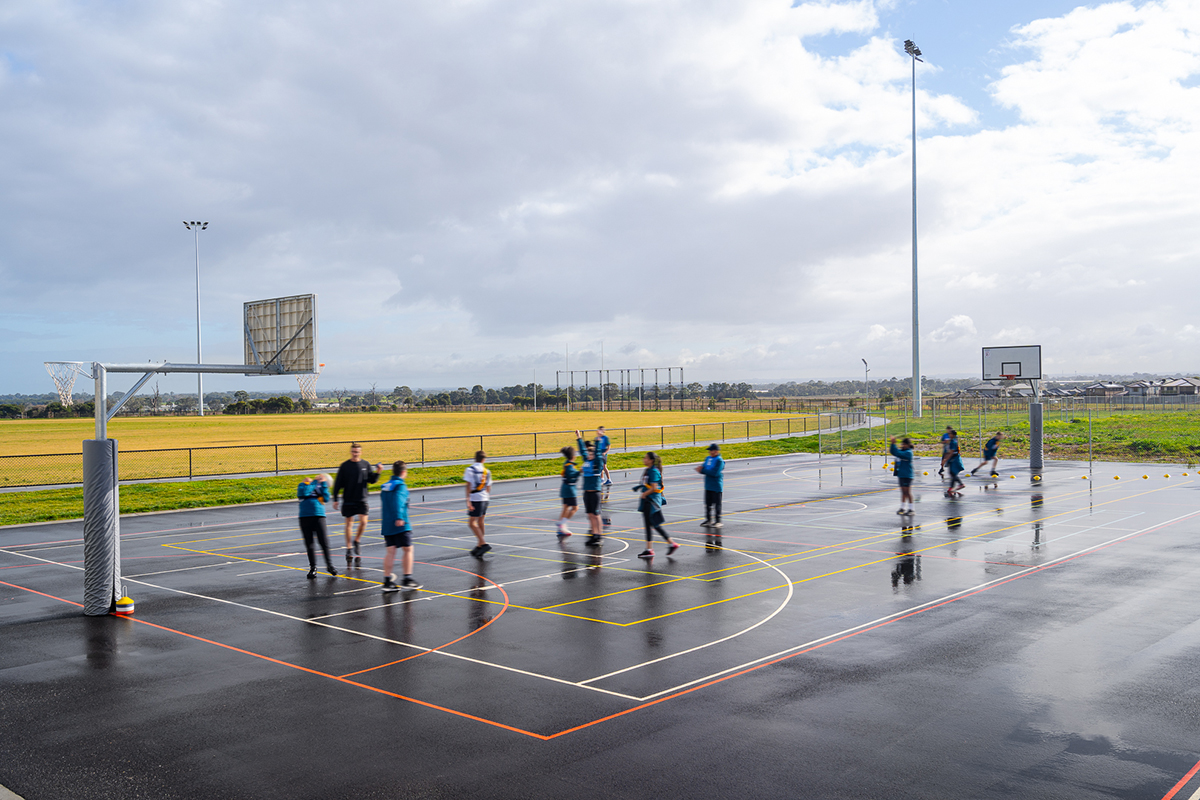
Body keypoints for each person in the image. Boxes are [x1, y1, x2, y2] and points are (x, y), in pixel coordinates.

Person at [332, 443, 382, 564]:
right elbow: (338, 483)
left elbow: (372, 480)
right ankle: (349, 549)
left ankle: (357, 540)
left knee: (364, 522)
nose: (355, 453)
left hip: (362, 499)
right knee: (349, 523)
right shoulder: (344, 466)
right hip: (348, 499)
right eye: (353, 451)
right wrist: (335, 499)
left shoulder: (365, 464)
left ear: (361, 452)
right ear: (351, 452)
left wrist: (378, 472)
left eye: (357, 451)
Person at [379, 461, 421, 592]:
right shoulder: (400, 486)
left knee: (390, 551)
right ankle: (407, 579)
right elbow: (398, 500)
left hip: (387, 523)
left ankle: (387, 581)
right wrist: (399, 517)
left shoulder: (386, 486)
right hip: (400, 523)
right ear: (403, 472)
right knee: (408, 549)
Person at [637, 451, 679, 560]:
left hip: (651, 501)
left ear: (651, 460)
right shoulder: (648, 470)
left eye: (646, 458)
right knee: (652, 525)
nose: (644, 459)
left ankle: (653, 548)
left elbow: (654, 487)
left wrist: (645, 494)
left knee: (652, 524)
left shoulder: (653, 471)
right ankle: (667, 544)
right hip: (647, 501)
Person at [297, 472, 339, 579]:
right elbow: (304, 493)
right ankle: (313, 568)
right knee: (309, 543)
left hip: (319, 516)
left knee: (324, 542)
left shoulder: (320, 486)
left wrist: (323, 483)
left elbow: (326, 498)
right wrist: (313, 482)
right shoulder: (302, 486)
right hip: (305, 517)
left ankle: (329, 565)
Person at [575, 430, 603, 546]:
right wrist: (579, 438)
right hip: (587, 492)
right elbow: (582, 451)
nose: (589, 455)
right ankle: (594, 534)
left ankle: (599, 535)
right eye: (588, 454)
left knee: (596, 515)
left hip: (595, 492)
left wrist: (597, 443)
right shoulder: (587, 461)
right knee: (590, 514)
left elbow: (598, 455)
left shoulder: (597, 464)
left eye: (591, 454)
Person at [464, 451, 493, 558]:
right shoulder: (487, 471)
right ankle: (479, 545)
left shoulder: (470, 470)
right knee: (480, 521)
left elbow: (468, 485)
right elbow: (488, 487)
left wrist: (468, 500)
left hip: (475, 498)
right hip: (485, 498)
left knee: (472, 523)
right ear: (484, 460)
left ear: (474, 458)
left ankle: (483, 543)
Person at [695, 443, 725, 528]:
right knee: (708, 504)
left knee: (717, 504)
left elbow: (715, 473)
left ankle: (718, 521)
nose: (710, 452)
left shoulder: (719, 461)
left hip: (716, 486)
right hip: (708, 485)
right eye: (710, 451)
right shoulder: (708, 459)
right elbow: (703, 468)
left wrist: (703, 470)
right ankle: (709, 520)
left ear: (716, 451)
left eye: (712, 450)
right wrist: (701, 470)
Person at [557, 446, 580, 537]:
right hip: (569, 489)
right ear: (573, 456)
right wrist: (579, 472)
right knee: (575, 508)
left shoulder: (567, 464)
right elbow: (571, 475)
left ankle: (561, 527)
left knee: (565, 507)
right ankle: (563, 523)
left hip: (565, 488)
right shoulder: (569, 466)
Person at [889, 436, 915, 515]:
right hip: (901, 474)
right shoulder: (903, 451)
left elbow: (898, 453)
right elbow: (893, 452)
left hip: (907, 475)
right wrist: (892, 444)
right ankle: (902, 508)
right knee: (903, 492)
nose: (903, 446)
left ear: (908, 445)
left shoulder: (908, 453)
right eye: (902, 444)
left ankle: (911, 509)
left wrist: (894, 444)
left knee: (907, 492)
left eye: (904, 445)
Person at [944, 431, 966, 495]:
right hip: (953, 458)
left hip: (955, 459)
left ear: (953, 434)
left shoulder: (953, 442)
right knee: (952, 472)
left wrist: (946, 459)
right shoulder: (952, 441)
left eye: (950, 433)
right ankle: (955, 486)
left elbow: (952, 452)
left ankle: (959, 484)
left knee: (953, 472)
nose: (949, 434)